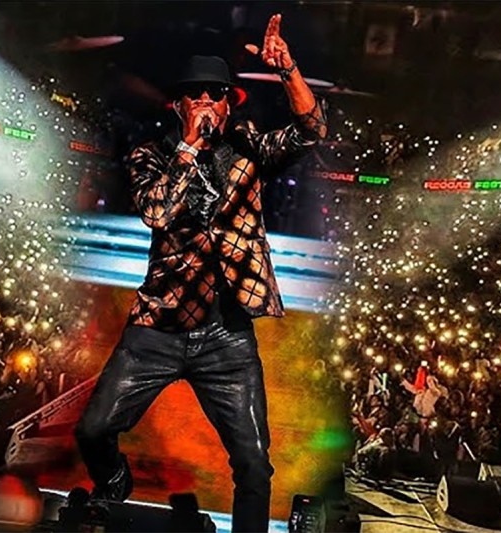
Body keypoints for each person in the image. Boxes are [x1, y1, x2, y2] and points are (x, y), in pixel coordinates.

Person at [74, 13, 326, 533]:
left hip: (226, 338)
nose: (207, 101)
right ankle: (114, 479)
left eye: (217, 94)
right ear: (179, 105)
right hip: (158, 329)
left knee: (254, 463)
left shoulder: (249, 149)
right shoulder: (151, 156)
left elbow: (312, 131)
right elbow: (157, 213)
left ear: (230, 103)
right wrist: (188, 149)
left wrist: (288, 71)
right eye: (196, 94)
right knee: (93, 430)